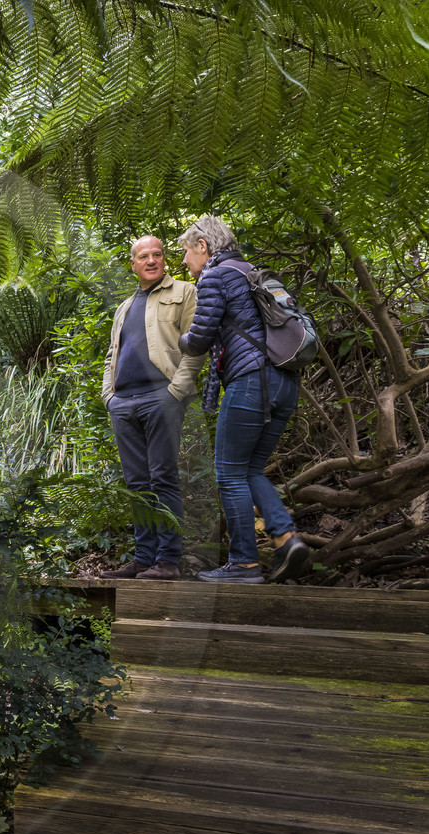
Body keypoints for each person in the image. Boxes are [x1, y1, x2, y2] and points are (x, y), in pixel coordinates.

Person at [177, 215, 311, 584]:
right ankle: (286, 538)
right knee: (250, 469)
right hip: (284, 382)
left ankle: (244, 565)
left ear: (202, 246)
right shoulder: (251, 270)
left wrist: (179, 338)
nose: (185, 262)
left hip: (251, 381)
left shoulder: (216, 275)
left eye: (186, 252)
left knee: (229, 472)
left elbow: (201, 338)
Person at [98, 235, 201, 581]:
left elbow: (196, 344)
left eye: (157, 254)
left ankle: (168, 561)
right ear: (133, 264)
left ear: (165, 259)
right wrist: (109, 396)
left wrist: (176, 391)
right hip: (124, 402)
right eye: (144, 256)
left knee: (163, 478)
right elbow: (113, 354)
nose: (151, 260)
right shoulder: (124, 307)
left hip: (161, 397)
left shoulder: (184, 292)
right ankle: (144, 559)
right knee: (137, 483)